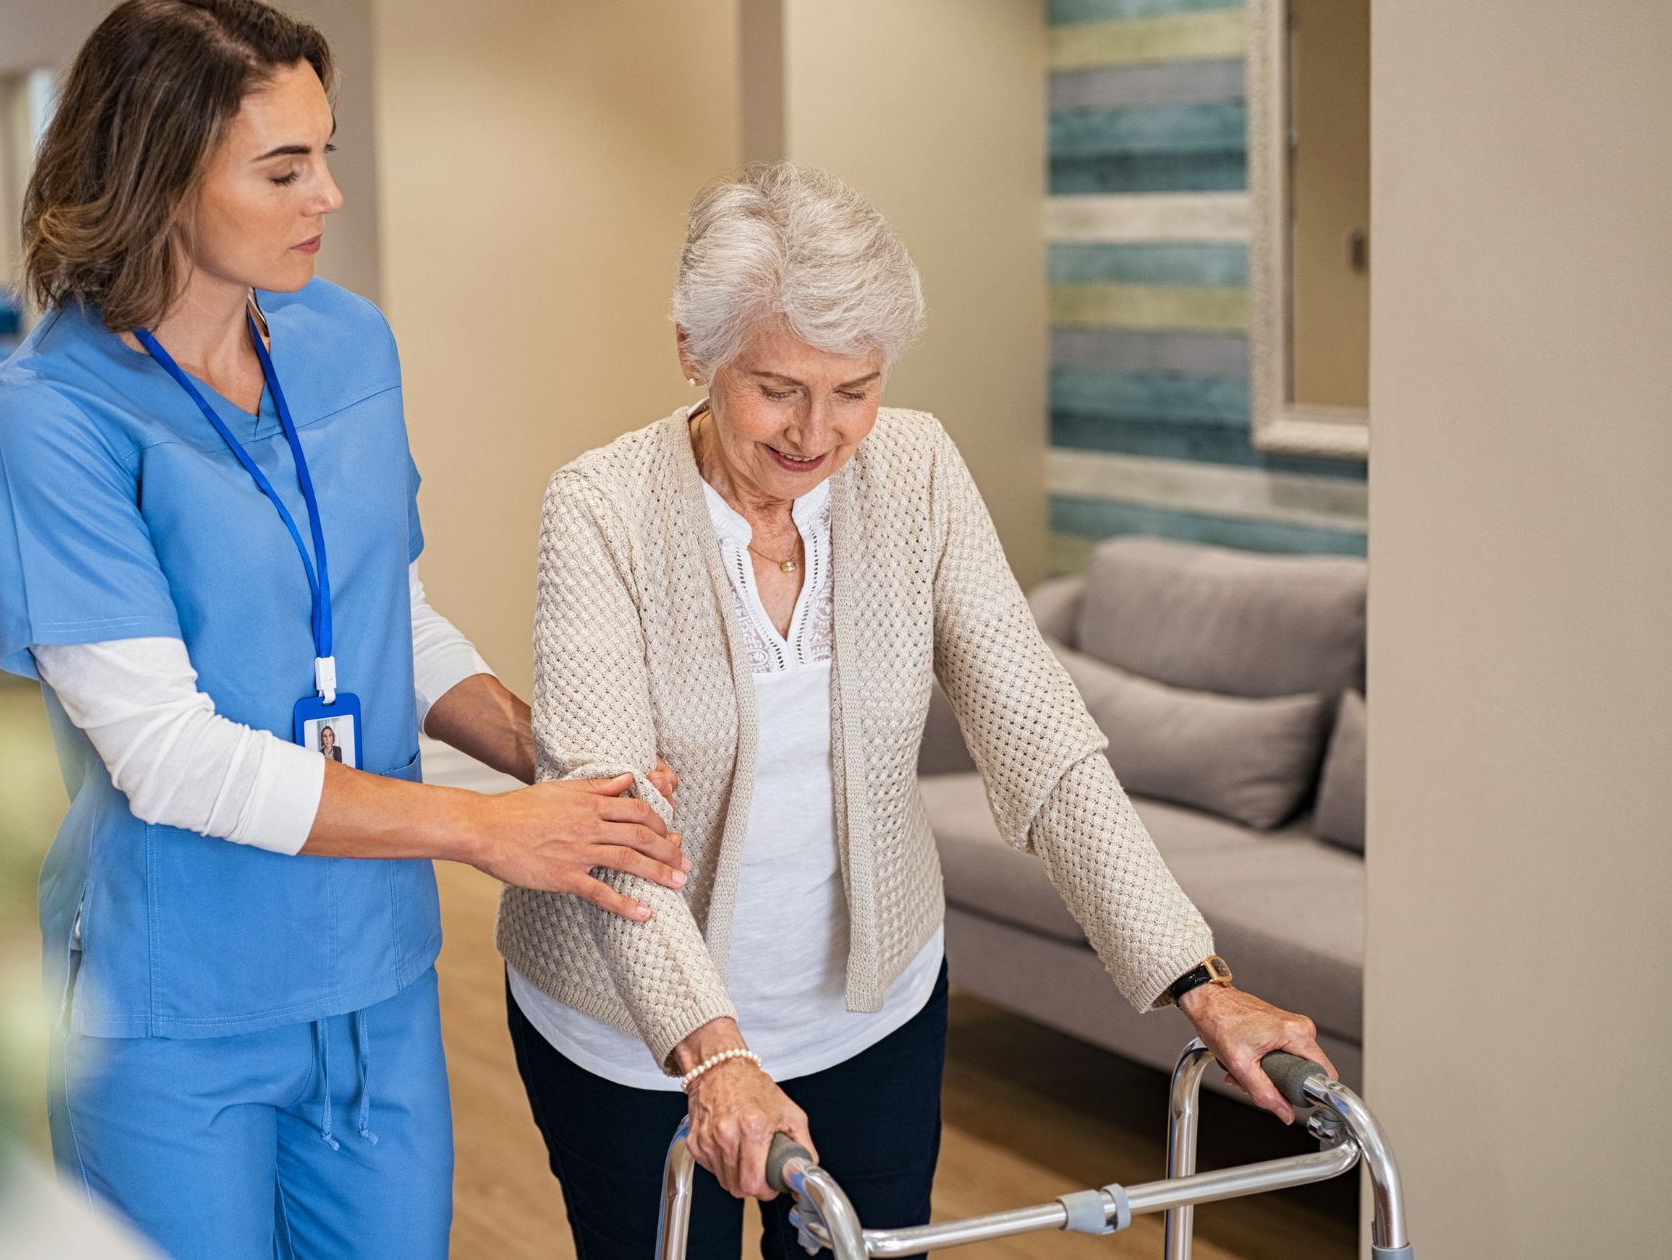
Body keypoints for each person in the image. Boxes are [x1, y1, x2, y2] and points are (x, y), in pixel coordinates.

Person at [495, 163, 1335, 1259]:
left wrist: (1196, 980)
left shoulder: (917, 470)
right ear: (694, 356)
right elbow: (609, 826)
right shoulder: (600, 507)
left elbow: (1039, 739)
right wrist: (713, 1055)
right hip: (633, 1030)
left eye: (855, 388)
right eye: (778, 387)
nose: (819, 430)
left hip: (867, 1012)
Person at [0, 4, 687, 1257]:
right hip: (175, 1004)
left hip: (373, 976)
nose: (328, 196)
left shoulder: (348, 341)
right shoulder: (47, 416)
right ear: (157, 175)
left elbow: (381, 618)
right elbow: (167, 755)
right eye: (284, 168)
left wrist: (552, 764)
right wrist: (488, 830)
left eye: (325, 154)